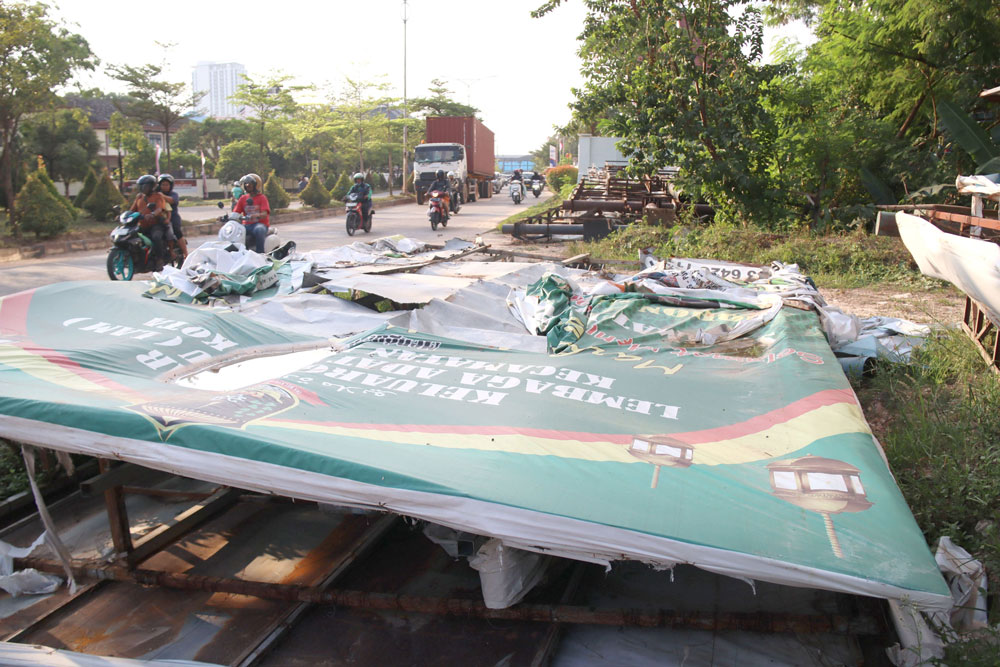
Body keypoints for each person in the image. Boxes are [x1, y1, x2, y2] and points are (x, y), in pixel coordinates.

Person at [129, 174, 169, 270]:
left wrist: (153, 214)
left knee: (156, 237)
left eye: (145, 186)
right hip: (142, 225)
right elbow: (132, 210)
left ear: (152, 186)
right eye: (141, 186)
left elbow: (159, 209)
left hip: (156, 224)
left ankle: (159, 259)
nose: (143, 189)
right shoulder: (139, 197)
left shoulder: (158, 196)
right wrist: (125, 215)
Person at [233, 173, 271, 253]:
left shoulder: (262, 198)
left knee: (259, 229)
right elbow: (235, 212)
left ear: (256, 185)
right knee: (235, 231)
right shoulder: (243, 198)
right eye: (246, 184)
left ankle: (260, 253)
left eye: (250, 184)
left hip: (259, 224)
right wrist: (225, 217)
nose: (248, 186)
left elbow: (264, 214)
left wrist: (256, 215)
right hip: (246, 225)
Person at [158, 174, 188, 258]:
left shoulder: (174, 194)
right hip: (160, 218)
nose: (164, 187)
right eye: (163, 184)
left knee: (177, 231)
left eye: (166, 185)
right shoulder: (156, 194)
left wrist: (161, 195)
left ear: (171, 185)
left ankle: (186, 253)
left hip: (173, 218)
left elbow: (172, 200)